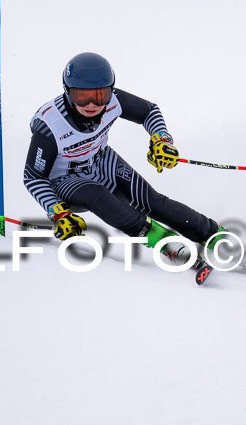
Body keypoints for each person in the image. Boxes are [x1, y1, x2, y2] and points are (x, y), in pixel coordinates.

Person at [22, 52, 229, 269]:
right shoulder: (50, 126)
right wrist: (58, 212)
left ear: (111, 90)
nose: (92, 104)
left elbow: (150, 111)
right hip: (64, 179)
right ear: (67, 92)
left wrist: (161, 140)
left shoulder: (115, 101)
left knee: (152, 201)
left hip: (100, 161)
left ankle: (213, 234)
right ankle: (165, 242)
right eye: (81, 96)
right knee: (98, 195)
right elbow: (33, 177)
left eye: (100, 95)